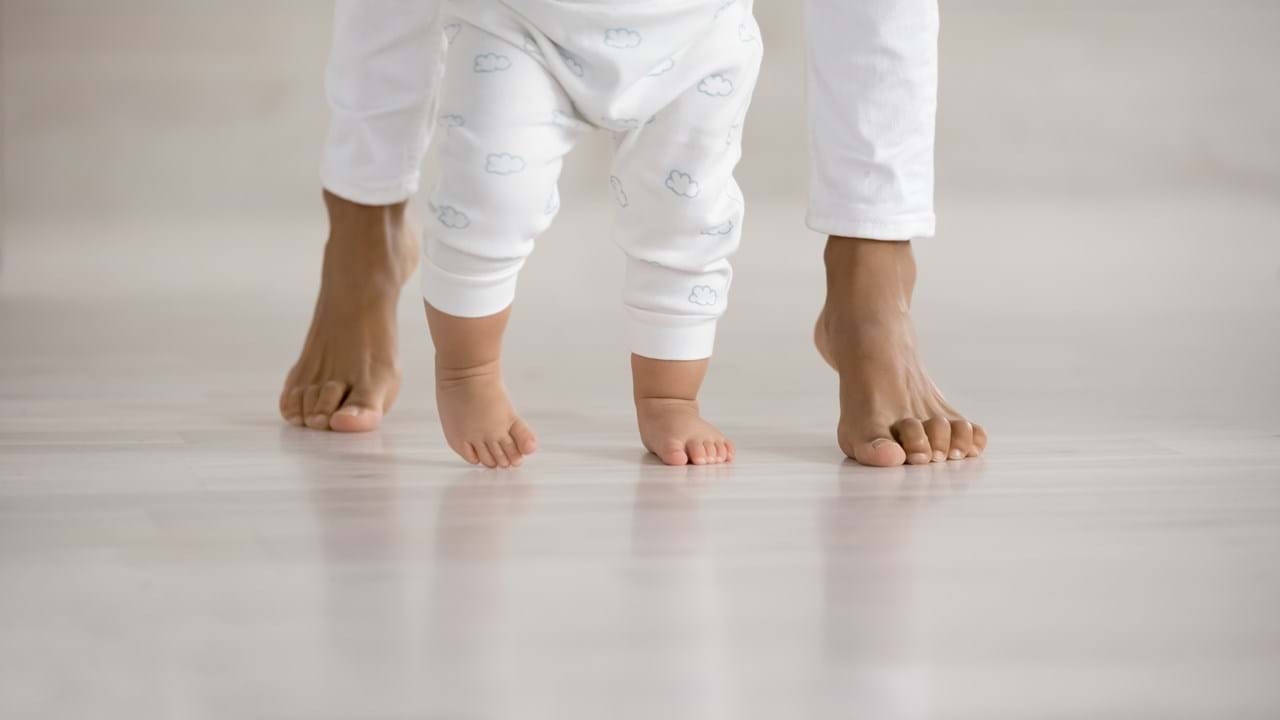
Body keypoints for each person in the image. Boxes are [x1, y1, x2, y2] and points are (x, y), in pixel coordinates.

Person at [280, 0, 988, 468]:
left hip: (696, 33)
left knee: (689, 223)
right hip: (520, 24)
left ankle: (669, 399)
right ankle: (467, 369)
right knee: (487, 200)